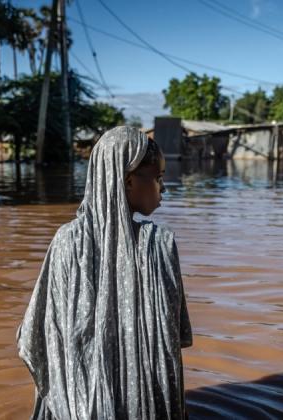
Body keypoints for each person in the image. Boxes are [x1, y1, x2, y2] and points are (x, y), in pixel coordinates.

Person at [16, 126, 192, 420]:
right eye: (159, 178)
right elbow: (175, 337)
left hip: (78, 405)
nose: (164, 188)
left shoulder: (66, 241)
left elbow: (36, 337)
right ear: (128, 181)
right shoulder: (159, 243)